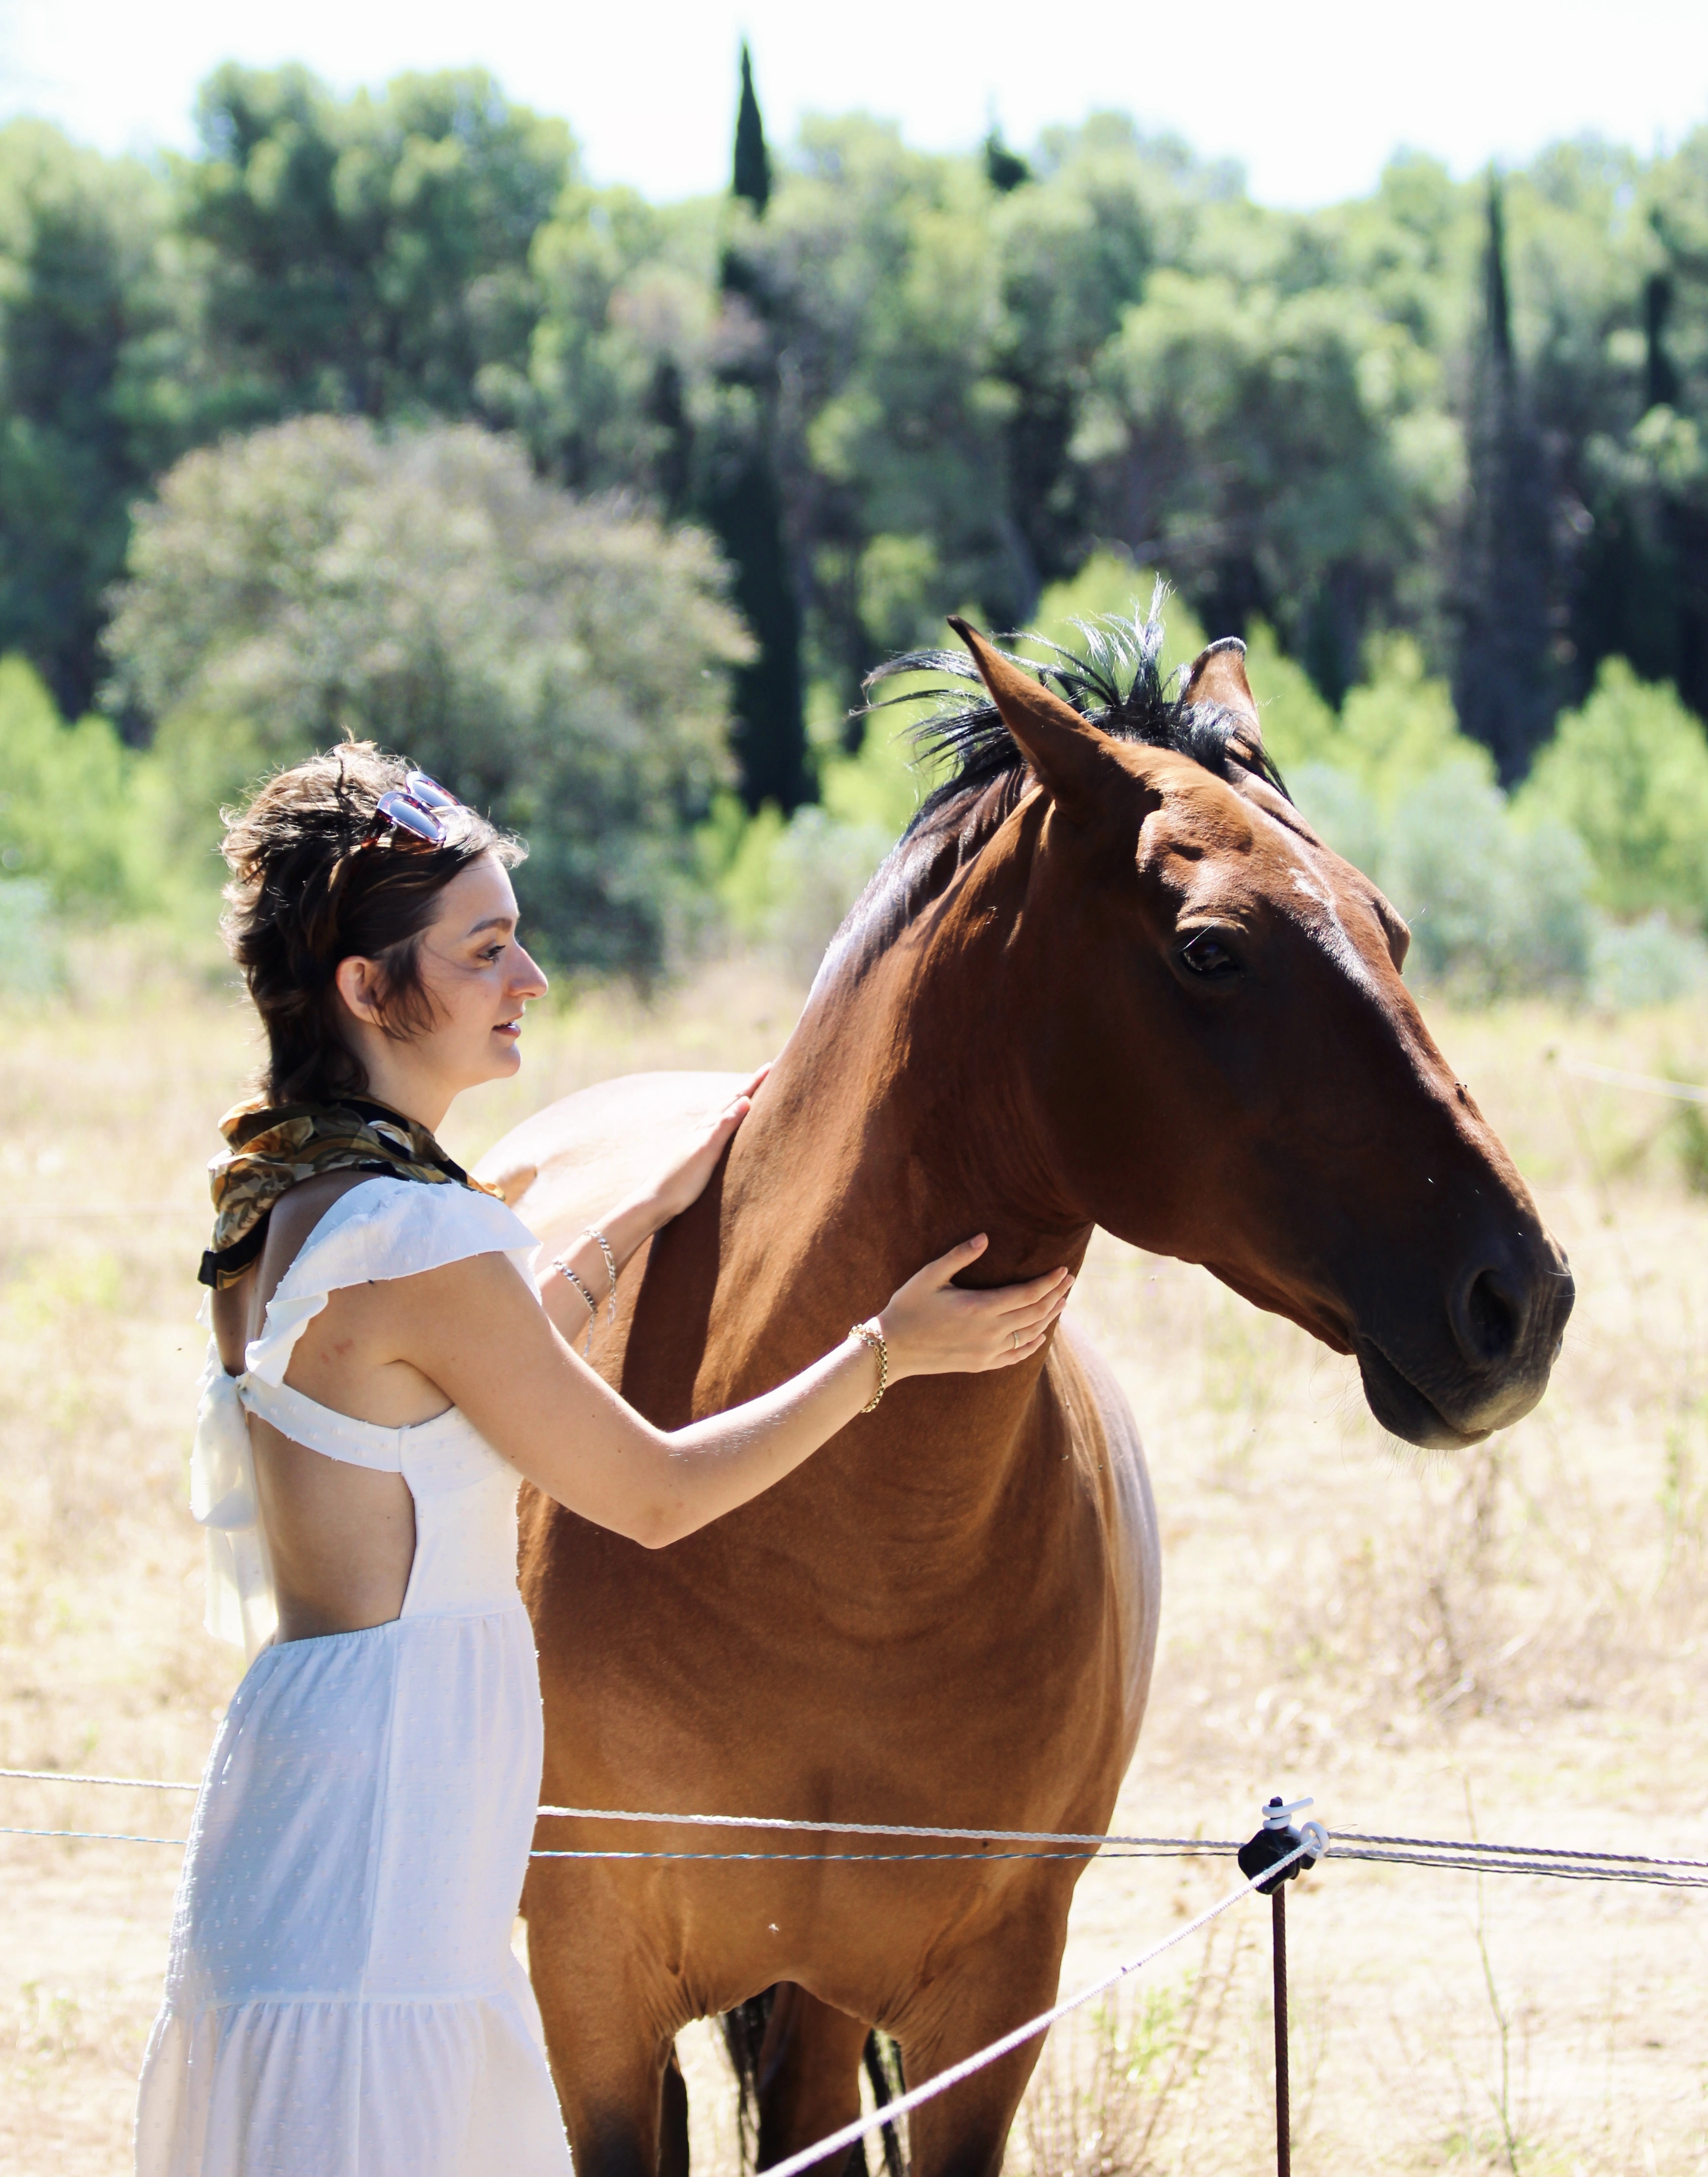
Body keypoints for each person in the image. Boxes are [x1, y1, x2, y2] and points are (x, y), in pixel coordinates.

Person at [135, 744, 1069, 2177]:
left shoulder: (274, 1207)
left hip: (304, 1795)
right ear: (369, 991)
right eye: (487, 948)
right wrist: (886, 1350)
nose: (534, 981)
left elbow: (448, 1389)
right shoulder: (431, 1239)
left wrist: (631, 1223)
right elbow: (652, 1495)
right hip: (396, 1829)